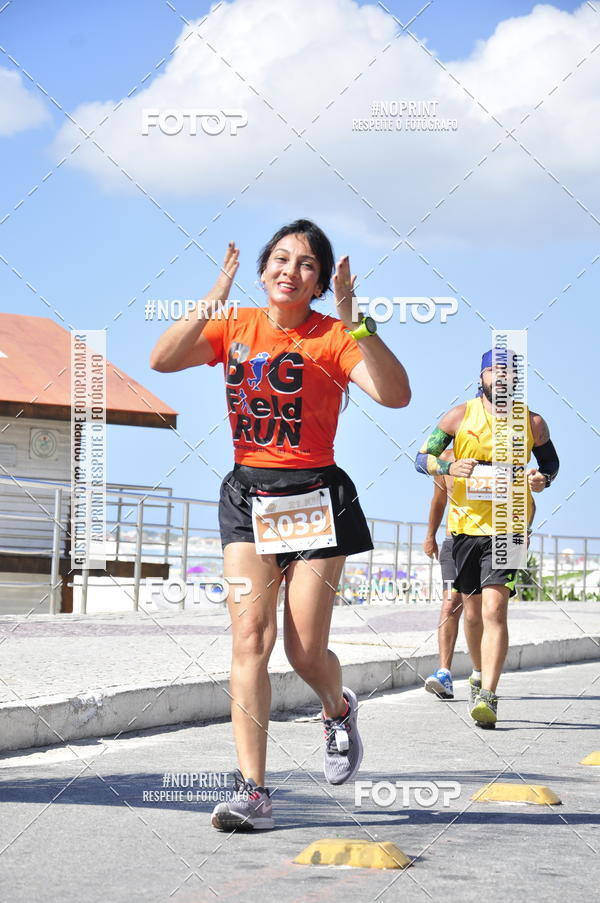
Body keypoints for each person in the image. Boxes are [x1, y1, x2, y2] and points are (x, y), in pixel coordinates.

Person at [150, 219, 411, 829]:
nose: (291, 271)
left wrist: (355, 319)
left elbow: (395, 395)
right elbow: (161, 360)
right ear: (264, 269)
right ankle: (254, 791)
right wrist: (212, 298)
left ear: (319, 282)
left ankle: (336, 707)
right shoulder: (235, 325)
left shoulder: (335, 336)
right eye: (281, 259)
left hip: (316, 497)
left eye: (307, 265)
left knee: (302, 650)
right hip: (247, 494)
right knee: (249, 640)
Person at [415, 348, 559, 727]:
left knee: (496, 610)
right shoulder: (459, 416)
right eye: (495, 371)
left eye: (510, 373)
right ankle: (475, 673)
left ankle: (489, 697)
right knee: (470, 611)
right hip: (464, 529)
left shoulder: (532, 422)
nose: (502, 378)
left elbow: (551, 466)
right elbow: (420, 458)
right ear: (481, 377)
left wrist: (542, 480)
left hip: (509, 526)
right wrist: (448, 464)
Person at [423, 448, 463, 700]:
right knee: (450, 604)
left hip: (490, 541)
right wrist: (430, 536)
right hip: (453, 541)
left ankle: (480, 673)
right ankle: (444, 673)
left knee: (481, 609)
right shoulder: (446, 459)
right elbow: (439, 499)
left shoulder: (496, 454)